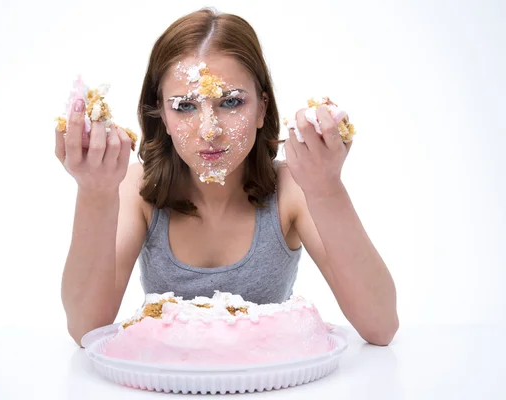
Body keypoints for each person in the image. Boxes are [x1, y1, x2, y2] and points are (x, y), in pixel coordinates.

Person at [55, 8, 398, 347]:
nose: (209, 130)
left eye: (231, 102)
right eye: (185, 106)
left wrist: (327, 189)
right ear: (161, 114)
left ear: (262, 109)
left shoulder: (294, 190)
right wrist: (94, 193)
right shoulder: (138, 189)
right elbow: (86, 329)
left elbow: (380, 326)